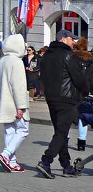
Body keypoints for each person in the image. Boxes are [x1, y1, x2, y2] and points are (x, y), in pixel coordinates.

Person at [36, 29, 90, 178]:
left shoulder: (47, 55)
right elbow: (78, 78)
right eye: (72, 39)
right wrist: (85, 91)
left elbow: (43, 76)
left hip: (51, 98)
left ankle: (66, 166)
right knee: (61, 132)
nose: (74, 42)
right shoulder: (69, 56)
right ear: (63, 38)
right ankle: (45, 162)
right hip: (67, 99)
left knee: (60, 132)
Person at [0, 33, 30, 172]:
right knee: (23, 129)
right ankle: (6, 154)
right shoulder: (17, 61)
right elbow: (19, 86)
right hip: (15, 103)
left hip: (5, 102)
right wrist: (21, 106)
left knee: (9, 131)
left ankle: (12, 161)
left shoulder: (3, 60)